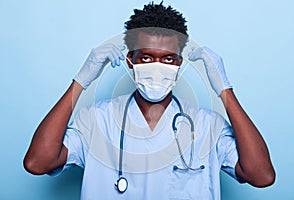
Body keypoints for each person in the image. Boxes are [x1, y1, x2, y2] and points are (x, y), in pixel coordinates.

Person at [23, 2, 275, 199]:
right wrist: (80, 82)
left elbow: (261, 175)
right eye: (146, 57)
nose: (157, 67)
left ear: (179, 64)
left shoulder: (207, 125)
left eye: (167, 59)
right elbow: (37, 162)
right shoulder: (96, 120)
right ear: (130, 61)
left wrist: (224, 89)